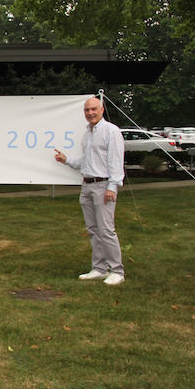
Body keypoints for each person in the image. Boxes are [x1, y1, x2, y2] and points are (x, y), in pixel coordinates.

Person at [54, 96, 126, 286]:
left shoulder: (111, 131)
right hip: (87, 186)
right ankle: (100, 268)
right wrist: (66, 160)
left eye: (94, 109)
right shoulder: (88, 133)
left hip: (103, 187)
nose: (90, 113)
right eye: (87, 110)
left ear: (102, 110)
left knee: (106, 229)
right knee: (93, 229)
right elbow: (86, 162)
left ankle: (117, 270)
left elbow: (116, 162)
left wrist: (112, 187)